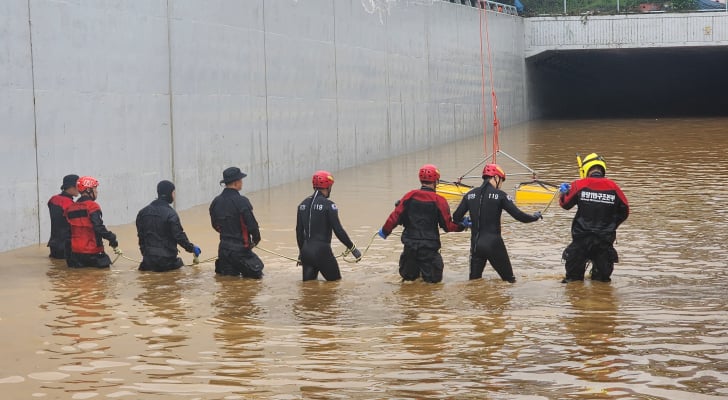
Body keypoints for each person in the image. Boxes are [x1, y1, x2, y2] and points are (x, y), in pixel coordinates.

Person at [452, 164, 542, 283]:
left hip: (475, 245)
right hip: (493, 244)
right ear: (495, 177)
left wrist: (466, 222)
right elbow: (520, 216)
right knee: (510, 281)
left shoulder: (470, 194)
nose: (501, 184)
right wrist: (535, 217)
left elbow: (456, 217)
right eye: (501, 180)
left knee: (474, 284)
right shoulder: (500, 195)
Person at [378, 164, 465, 283]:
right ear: (436, 181)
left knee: (408, 283)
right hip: (429, 251)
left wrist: (385, 231)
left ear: (420, 179)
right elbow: (448, 226)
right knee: (433, 286)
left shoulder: (409, 196)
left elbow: (395, 216)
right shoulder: (439, 200)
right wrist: (462, 225)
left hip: (410, 249)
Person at [558, 153, 629, 283]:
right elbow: (625, 211)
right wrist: (612, 225)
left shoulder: (579, 185)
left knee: (573, 282)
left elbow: (565, 205)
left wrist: (563, 193)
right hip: (604, 241)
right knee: (602, 282)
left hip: (581, 240)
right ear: (603, 169)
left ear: (586, 169)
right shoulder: (614, 187)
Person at [296, 170, 361, 281]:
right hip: (322, 252)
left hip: (306, 252)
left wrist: (302, 252)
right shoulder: (329, 205)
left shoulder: (302, 205)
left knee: (308, 291)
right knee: (335, 286)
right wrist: (352, 248)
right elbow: (338, 230)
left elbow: (299, 232)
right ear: (328, 186)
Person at [209, 167, 264, 278]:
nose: (242, 182)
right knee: (257, 279)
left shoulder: (216, 202)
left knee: (228, 284)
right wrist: (255, 241)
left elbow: (215, 225)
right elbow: (253, 226)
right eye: (241, 180)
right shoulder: (242, 202)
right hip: (241, 251)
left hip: (223, 251)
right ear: (236, 182)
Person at [136, 180, 201, 272]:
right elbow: (179, 236)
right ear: (171, 193)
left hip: (147, 262)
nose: (174, 196)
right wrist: (192, 248)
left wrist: (146, 255)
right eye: (174, 193)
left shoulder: (142, 213)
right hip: (167, 262)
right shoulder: (171, 213)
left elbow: (141, 237)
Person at [64, 176, 118, 268]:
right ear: (88, 190)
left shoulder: (70, 208)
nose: (97, 191)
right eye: (95, 189)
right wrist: (112, 237)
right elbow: (98, 227)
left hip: (75, 253)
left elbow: (68, 231)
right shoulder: (93, 206)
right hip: (93, 252)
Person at [47, 174, 79, 259]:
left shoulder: (52, 199)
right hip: (66, 245)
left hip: (53, 244)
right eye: (78, 186)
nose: (79, 190)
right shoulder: (70, 204)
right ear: (71, 187)